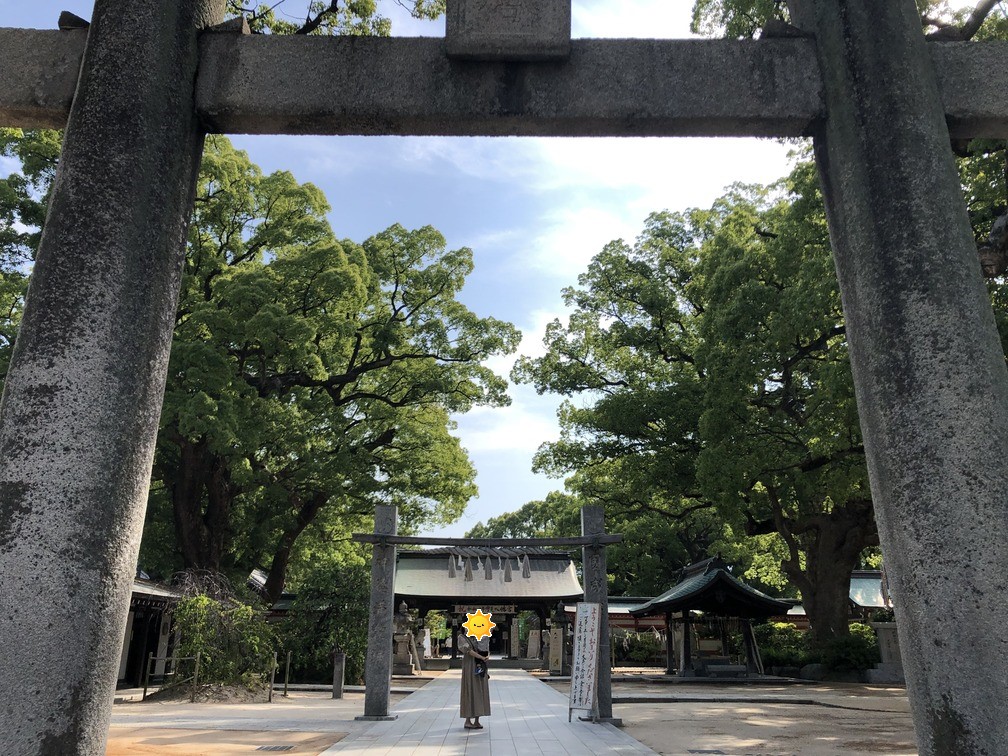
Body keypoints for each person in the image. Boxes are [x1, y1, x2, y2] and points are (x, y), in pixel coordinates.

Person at [460, 634, 490, 729]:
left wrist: (487, 655)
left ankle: (477, 720)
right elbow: (468, 650)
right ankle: (467, 720)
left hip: (480, 666)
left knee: (480, 691)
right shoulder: (462, 637)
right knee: (469, 690)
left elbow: (485, 648)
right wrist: (481, 657)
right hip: (470, 666)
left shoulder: (478, 636)